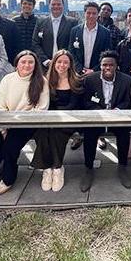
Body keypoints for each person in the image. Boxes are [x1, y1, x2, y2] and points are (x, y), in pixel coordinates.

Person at [0, 50, 50, 194]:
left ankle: (8, 179)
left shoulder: (41, 81)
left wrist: (15, 123)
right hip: (4, 122)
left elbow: (41, 109)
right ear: (16, 64)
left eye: (31, 62)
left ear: (35, 64)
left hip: (26, 124)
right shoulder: (8, 79)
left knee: (10, 149)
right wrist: (4, 127)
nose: (27, 65)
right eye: (23, 62)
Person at [80, 51, 131, 192]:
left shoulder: (126, 80)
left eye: (111, 65)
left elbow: (128, 101)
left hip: (117, 116)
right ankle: (88, 169)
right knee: (89, 132)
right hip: (98, 116)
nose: (107, 68)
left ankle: (122, 167)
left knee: (124, 132)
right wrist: (100, 111)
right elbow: (86, 101)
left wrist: (117, 110)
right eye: (104, 65)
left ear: (116, 66)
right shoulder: (90, 80)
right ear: (101, 65)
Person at [31, 50, 83, 192]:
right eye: (59, 61)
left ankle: (58, 168)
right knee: (42, 132)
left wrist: (58, 116)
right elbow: (45, 103)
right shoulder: (45, 81)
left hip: (69, 119)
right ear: (54, 63)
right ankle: (48, 169)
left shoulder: (77, 80)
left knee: (57, 134)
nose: (62, 65)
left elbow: (73, 105)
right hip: (49, 119)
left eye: (66, 62)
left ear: (70, 64)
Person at [32, 0, 78, 72]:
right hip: (45, 66)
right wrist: (46, 61)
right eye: (53, 4)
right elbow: (35, 43)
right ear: (49, 6)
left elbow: (73, 45)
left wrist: (65, 61)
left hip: (65, 66)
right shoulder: (40, 21)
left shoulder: (73, 22)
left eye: (59, 4)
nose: (56, 6)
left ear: (63, 6)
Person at [69, 2, 111, 74]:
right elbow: (71, 51)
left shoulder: (105, 33)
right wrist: (80, 69)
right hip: (77, 72)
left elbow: (106, 54)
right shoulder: (75, 30)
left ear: (98, 14)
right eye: (88, 13)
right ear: (84, 13)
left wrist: (94, 70)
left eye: (94, 13)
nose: (91, 16)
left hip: (96, 73)